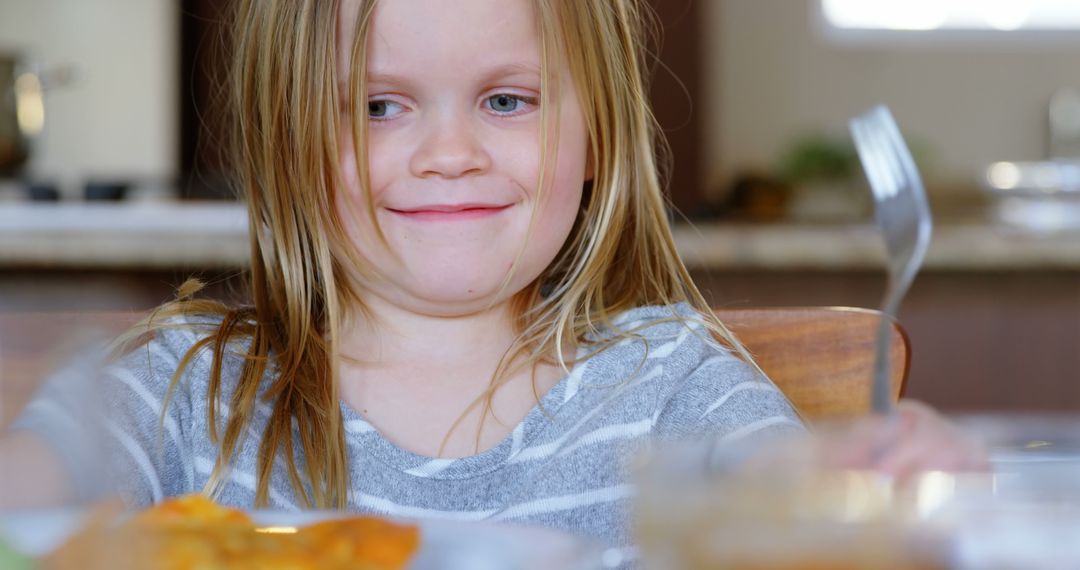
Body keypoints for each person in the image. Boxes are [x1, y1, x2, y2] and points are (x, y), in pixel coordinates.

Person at [0, 0, 981, 563]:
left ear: (595, 132)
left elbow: (783, 504)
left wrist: (868, 482)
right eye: (381, 108)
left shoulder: (671, 380)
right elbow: (27, 500)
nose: (450, 152)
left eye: (505, 100)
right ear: (285, 143)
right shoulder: (181, 389)